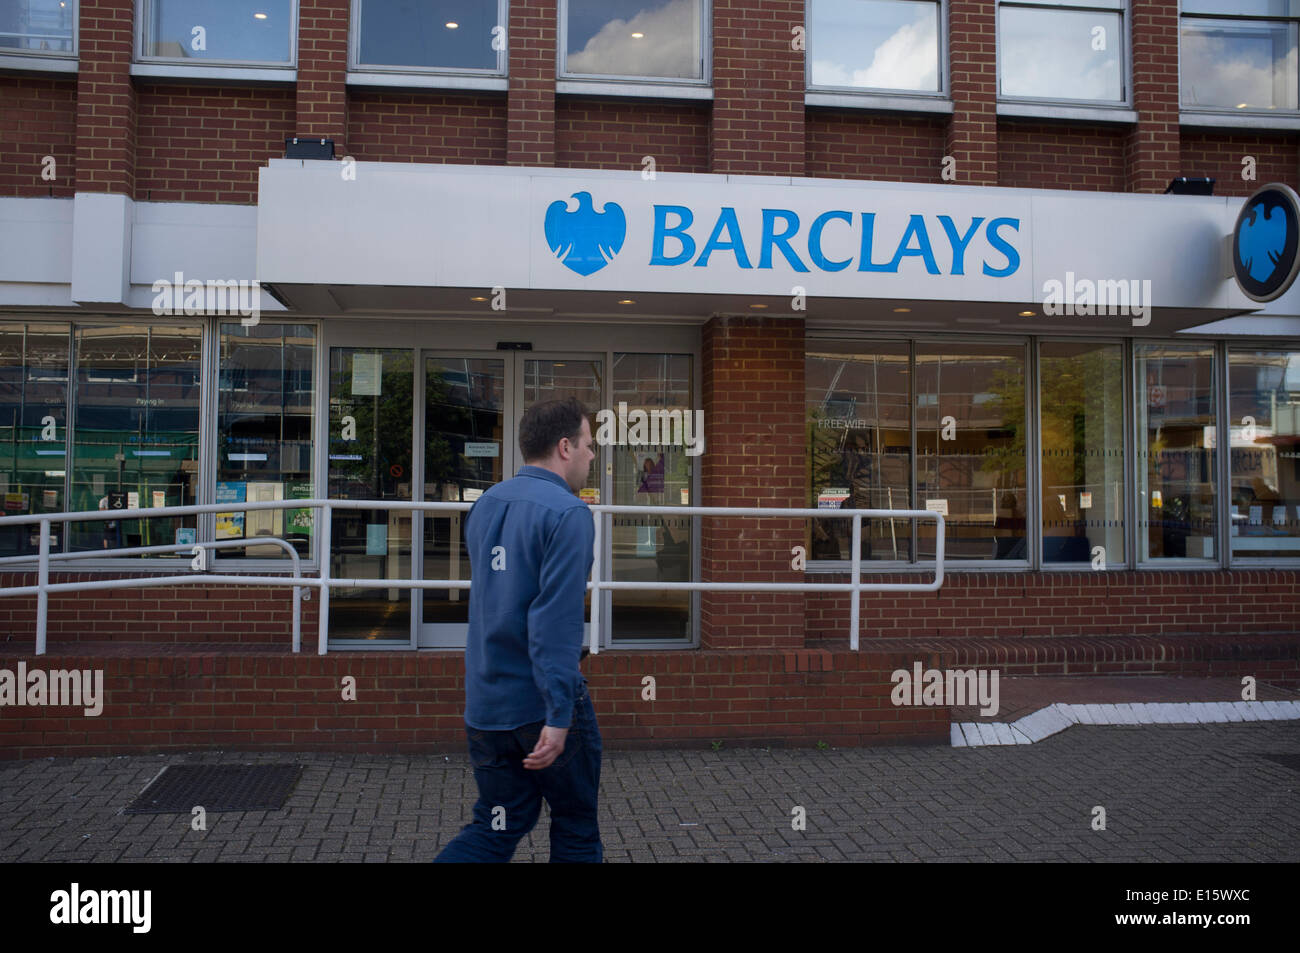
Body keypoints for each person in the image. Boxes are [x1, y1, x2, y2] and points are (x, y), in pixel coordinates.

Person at [434, 396, 601, 863]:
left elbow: (496, 602)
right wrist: (559, 714)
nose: (592, 455)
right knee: (575, 826)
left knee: (495, 824)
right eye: (589, 445)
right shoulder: (569, 514)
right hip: (539, 706)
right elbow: (555, 623)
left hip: (487, 705)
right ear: (565, 447)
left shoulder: (487, 504)